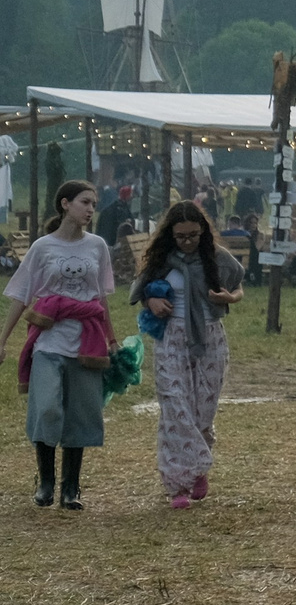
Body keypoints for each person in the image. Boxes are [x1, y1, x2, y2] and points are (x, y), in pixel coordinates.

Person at [3, 181, 115, 511]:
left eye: (94, 203)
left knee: (81, 412)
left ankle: (71, 488)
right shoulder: (42, 247)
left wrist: (112, 338)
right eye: (85, 202)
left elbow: (101, 298)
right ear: (65, 204)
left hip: (86, 341)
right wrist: (3, 340)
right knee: (47, 406)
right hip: (49, 340)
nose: (91, 208)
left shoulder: (97, 246)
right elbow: (22, 295)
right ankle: (45, 481)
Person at [131, 200, 246, 510]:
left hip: (209, 337)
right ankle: (178, 482)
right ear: (170, 234)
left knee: (201, 412)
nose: (188, 241)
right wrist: (151, 302)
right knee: (175, 407)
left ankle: (196, 471)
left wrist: (228, 298)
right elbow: (140, 290)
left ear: (203, 232)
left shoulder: (216, 258)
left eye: (194, 235)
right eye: (181, 236)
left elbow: (238, 287)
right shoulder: (161, 260)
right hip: (171, 337)